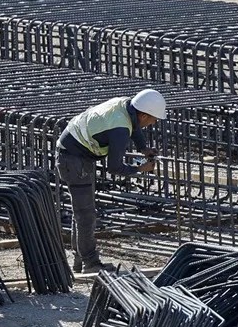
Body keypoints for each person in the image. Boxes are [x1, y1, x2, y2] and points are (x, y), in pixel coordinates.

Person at [55, 89, 166, 273]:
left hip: (75, 153)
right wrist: (140, 169)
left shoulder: (126, 105)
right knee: (86, 214)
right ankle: (90, 263)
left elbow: (135, 127)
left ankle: (80, 261)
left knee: (82, 213)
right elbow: (114, 167)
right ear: (144, 115)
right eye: (153, 119)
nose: (153, 123)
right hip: (73, 160)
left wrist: (143, 148)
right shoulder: (120, 129)